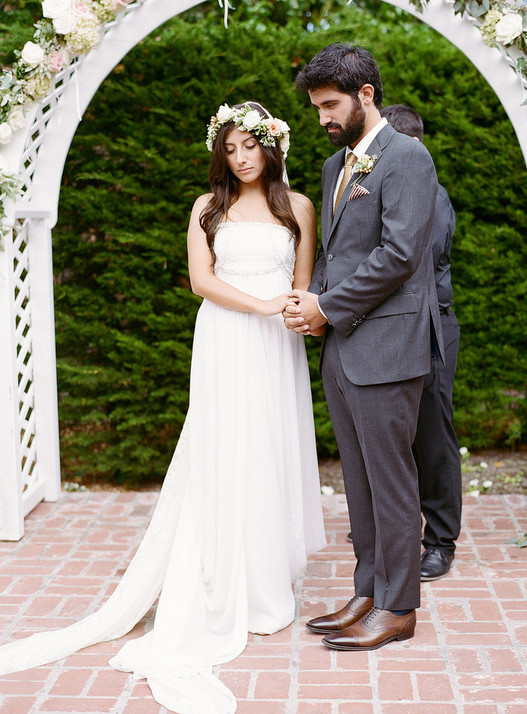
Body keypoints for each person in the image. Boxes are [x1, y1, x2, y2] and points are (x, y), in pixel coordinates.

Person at [0, 101, 326, 714]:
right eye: (229, 149)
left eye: (249, 146)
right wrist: (260, 309)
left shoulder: (300, 207)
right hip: (228, 337)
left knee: (270, 447)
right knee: (226, 447)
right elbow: (202, 282)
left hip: (276, 348)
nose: (240, 158)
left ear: (272, 146)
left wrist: (296, 317)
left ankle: (265, 585)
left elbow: (304, 284)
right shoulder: (208, 208)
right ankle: (221, 579)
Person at [284, 44, 443, 651]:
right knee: (359, 481)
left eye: (330, 105)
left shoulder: (408, 157)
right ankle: (369, 591)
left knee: (392, 481)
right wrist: (314, 305)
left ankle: (399, 608)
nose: (321, 117)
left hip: (390, 348)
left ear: (366, 95)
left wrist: (329, 305)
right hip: (344, 350)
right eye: (316, 106)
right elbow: (337, 253)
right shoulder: (334, 168)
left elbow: (399, 256)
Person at [381, 103, 461, 581]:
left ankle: (441, 540)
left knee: (432, 433)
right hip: (393, 326)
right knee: (394, 430)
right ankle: (396, 526)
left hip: (432, 327)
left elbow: (410, 259)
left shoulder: (430, 193)